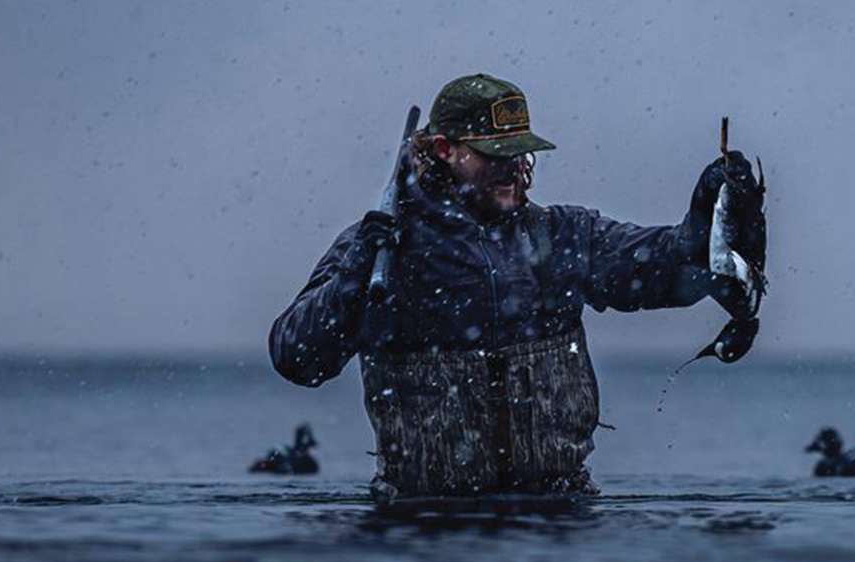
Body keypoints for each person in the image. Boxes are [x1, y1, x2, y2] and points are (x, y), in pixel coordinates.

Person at [269, 73, 766, 502]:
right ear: (445, 150)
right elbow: (297, 357)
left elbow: (673, 272)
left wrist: (704, 219)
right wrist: (354, 273)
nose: (514, 167)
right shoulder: (379, 252)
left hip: (558, 522)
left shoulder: (564, 237)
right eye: (495, 154)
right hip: (421, 533)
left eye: (521, 152)